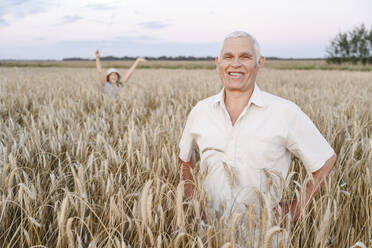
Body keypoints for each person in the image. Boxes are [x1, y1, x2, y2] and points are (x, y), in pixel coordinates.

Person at [179, 31, 337, 226]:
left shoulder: (284, 112)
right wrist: (195, 201)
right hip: (210, 235)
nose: (235, 64)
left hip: (264, 237)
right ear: (218, 62)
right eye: (228, 57)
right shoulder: (201, 111)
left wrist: (295, 208)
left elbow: (325, 159)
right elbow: (184, 159)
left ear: (259, 63)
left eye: (245, 57)